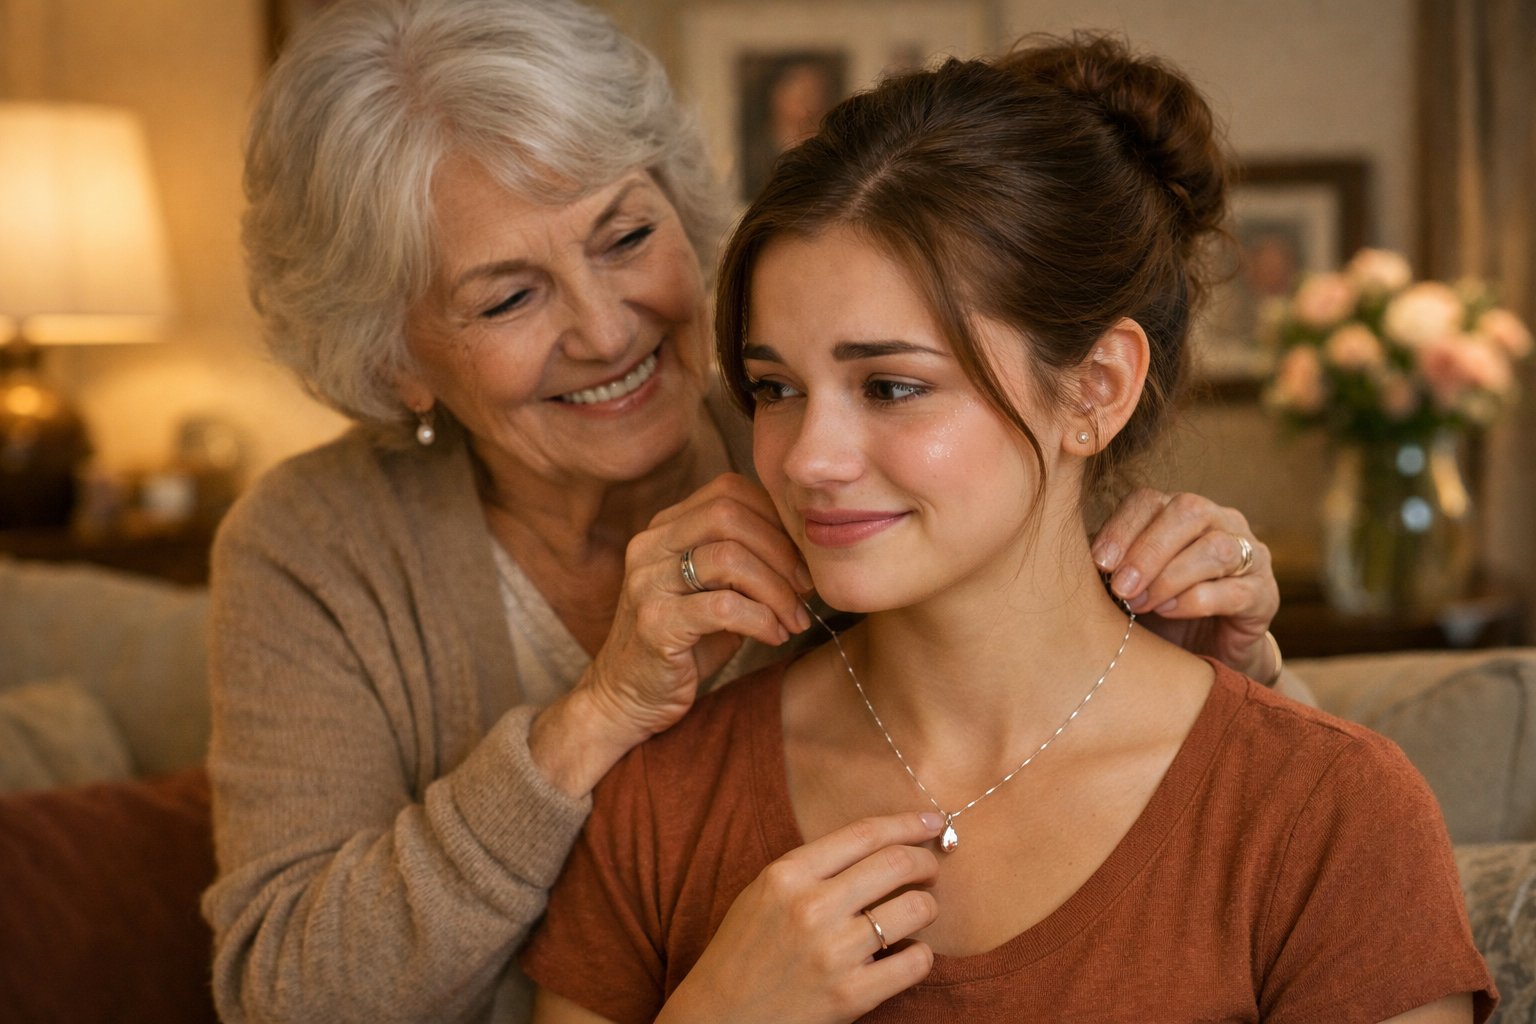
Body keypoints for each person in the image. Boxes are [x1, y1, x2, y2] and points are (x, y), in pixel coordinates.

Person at [203, 2, 1292, 1021]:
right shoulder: (316, 544)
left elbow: (1200, 786)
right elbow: (287, 986)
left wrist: (1234, 663)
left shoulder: (843, 457)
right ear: (397, 362)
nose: (605, 328)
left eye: (627, 237)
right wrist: (595, 716)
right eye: (507, 297)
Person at [520, 34, 1496, 1023]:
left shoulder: (1324, 810)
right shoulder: (664, 801)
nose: (806, 456)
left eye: (890, 385)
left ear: (1097, 389)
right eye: (774, 387)